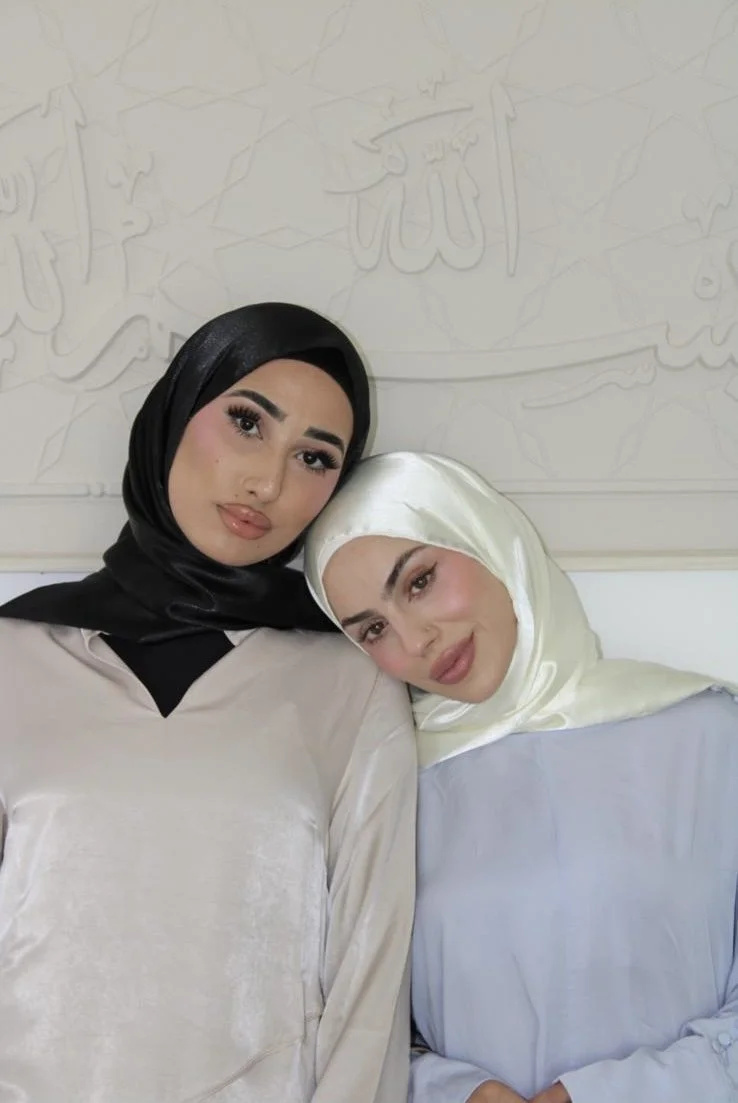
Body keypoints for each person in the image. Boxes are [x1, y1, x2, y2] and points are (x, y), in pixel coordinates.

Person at [0, 305, 417, 1103]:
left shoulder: (350, 682)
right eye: (246, 422)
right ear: (174, 412)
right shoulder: (17, 652)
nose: (268, 482)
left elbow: (371, 985)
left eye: (315, 457)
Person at [305, 449, 738, 1103]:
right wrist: (459, 1091)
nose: (416, 637)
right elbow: (361, 1030)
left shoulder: (709, 732)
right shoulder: (388, 792)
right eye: (372, 628)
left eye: (419, 580)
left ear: (483, 535)